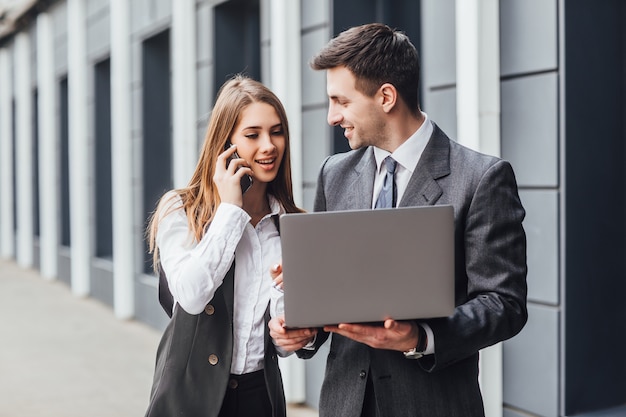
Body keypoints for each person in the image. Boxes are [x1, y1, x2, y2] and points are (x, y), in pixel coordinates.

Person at [268, 23, 528, 417]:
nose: (331, 117)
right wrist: (301, 332)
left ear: (386, 96)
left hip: (433, 404)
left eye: (341, 101)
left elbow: (504, 304)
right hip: (344, 405)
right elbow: (328, 299)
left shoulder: (480, 178)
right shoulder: (333, 174)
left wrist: (420, 337)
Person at [144, 74, 304, 417]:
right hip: (189, 397)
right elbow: (190, 295)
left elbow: (284, 335)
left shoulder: (291, 224)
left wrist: (293, 335)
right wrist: (230, 212)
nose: (269, 145)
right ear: (226, 143)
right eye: (252, 135)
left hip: (260, 397)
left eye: (277, 132)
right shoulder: (181, 210)